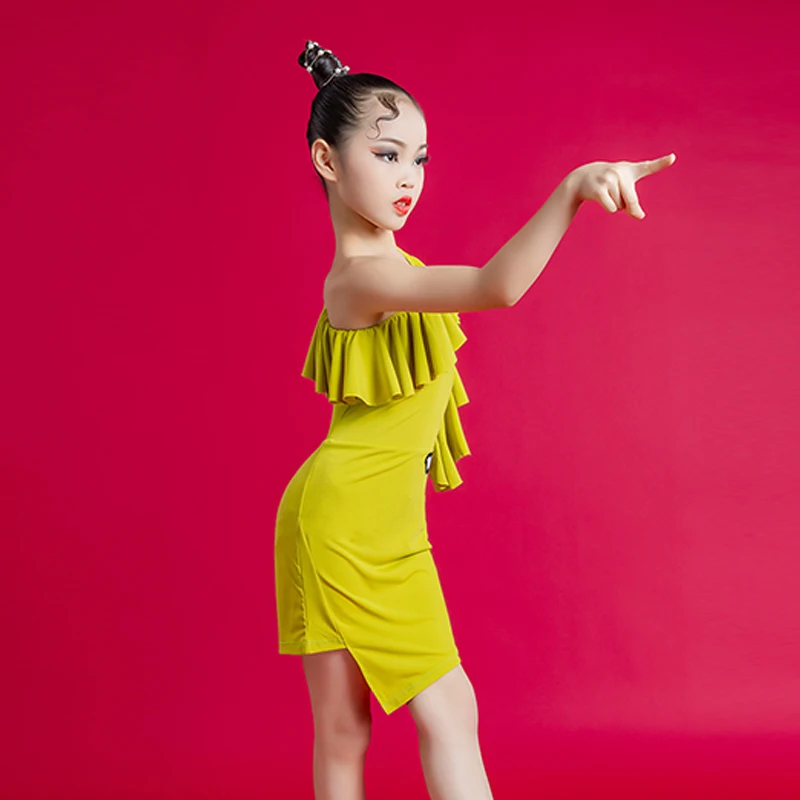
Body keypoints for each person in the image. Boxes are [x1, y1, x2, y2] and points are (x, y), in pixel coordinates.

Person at [275, 38, 676, 800]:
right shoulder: (363, 279)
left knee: (348, 727)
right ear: (327, 160)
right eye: (387, 154)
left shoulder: (393, 273)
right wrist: (573, 188)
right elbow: (498, 287)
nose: (409, 177)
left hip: (363, 515)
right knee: (433, 711)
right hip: (350, 523)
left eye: (419, 158)